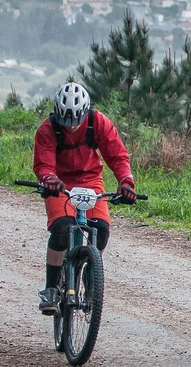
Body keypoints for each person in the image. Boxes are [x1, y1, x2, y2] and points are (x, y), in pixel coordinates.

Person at [32, 82, 134, 314]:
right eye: (66, 121)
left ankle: (91, 279)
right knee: (61, 228)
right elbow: (43, 164)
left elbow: (118, 156)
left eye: (77, 120)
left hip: (91, 182)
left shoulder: (98, 123)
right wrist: (48, 178)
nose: (71, 126)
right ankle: (51, 288)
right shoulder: (47, 129)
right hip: (59, 183)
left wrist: (126, 183)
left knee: (101, 230)